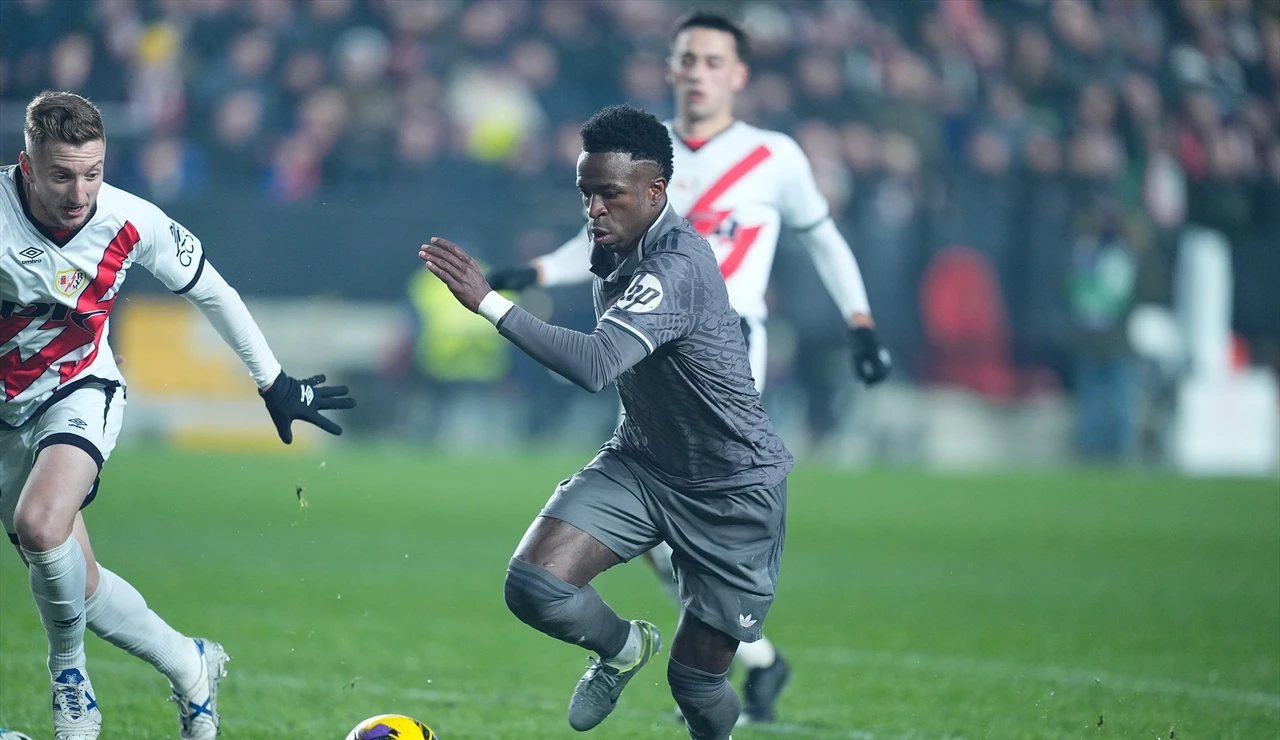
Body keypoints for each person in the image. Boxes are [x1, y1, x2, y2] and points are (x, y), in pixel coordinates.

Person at [485, 11, 891, 722]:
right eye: (688, 59)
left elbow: (822, 238)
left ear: (738, 75)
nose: (699, 72)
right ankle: (742, 656)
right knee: (651, 529)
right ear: (670, 68)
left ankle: (726, 652)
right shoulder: (643, 154)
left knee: (700, 488)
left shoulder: (773, 157)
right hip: (645, 357)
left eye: (713, 61)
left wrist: (860, 320)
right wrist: (537, 271)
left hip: (726, 351)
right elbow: (599, 233)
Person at [422, 104, 787, 740]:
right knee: (533, 585)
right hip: (643, 463)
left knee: (696, 686)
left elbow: (596, 365)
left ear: (655, 192)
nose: (593, 209)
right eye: (585, 192)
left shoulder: (676, 265)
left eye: (609, 194)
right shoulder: (614, 241)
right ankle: (622, 649)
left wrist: (489, 303)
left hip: (731, 489)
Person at [1, 91, 355, 740]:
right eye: (61, 176)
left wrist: (273, 381)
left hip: (77, 389)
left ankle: (70, 684)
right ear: (26, 167)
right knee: (75, 583)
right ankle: (190, 664)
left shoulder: (131, 221)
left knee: (40, 526)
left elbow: (213, 289)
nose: (80, 193)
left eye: (92, 173)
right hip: (5, 409)